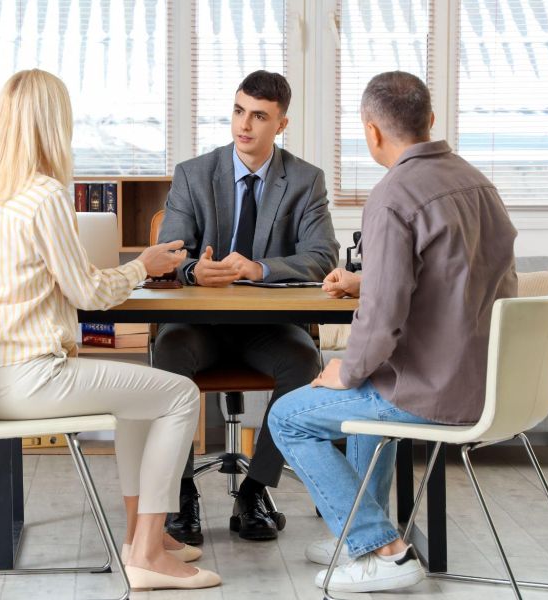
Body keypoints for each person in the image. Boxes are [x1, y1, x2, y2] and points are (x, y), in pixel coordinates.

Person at [0, 69, 221, 591]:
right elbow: (89, 295)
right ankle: (146, 553)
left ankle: (143, 536)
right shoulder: (44, 195)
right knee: (181, 394)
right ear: (55, 125)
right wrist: (144, 265)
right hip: (27, 379)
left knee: (142, 397)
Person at [268, 71, 518, 593]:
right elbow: (461, 278)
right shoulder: (477, 182)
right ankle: (361, 529)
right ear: (429, 121)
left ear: (372, 133)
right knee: (373, 387)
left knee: (289, 416)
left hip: (432, 394)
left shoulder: (393, 195)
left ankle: (382, 547)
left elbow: (381, 322)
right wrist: (369, 279)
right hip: (491, 385)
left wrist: (345, 370)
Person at [154, 70, 340, 543]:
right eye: (239, 111)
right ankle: (180, 491)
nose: (245, 125)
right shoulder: (194, 174)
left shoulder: (304, 180)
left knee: (304, 360)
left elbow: (322, 258)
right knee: (168, 352)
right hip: (200, 326)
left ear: (281, 124)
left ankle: (254, 490)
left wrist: (257, 269)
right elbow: (166, 255)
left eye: (259, 116)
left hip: (267, 328)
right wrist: (194, 270)